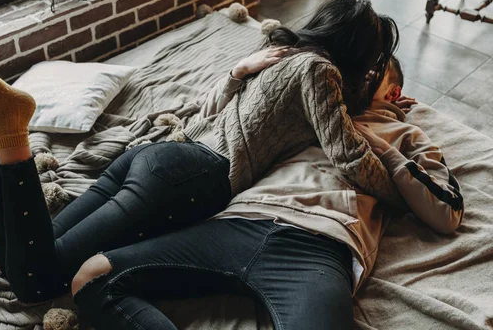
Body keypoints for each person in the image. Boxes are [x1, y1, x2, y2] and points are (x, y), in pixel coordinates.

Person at [0, 0, 402, 304]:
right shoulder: (321, 71)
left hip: (151, 155)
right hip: (191, 177)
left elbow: (207, 110)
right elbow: (349, 156)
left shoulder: (276, 53)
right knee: (38, 283)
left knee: (23, 249)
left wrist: (236, 72)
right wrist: (399, 187)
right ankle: (11, 132)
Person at [71, 56, 464, 330]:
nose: (354, 76)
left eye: (370, 73)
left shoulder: (409, 137)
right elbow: (224, 119)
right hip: (237, 221)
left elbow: (445, 212)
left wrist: (378, 145)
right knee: (91, 276)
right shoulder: (318, 99)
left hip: (320, 245)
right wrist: (236, 73)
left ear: (393, 94)